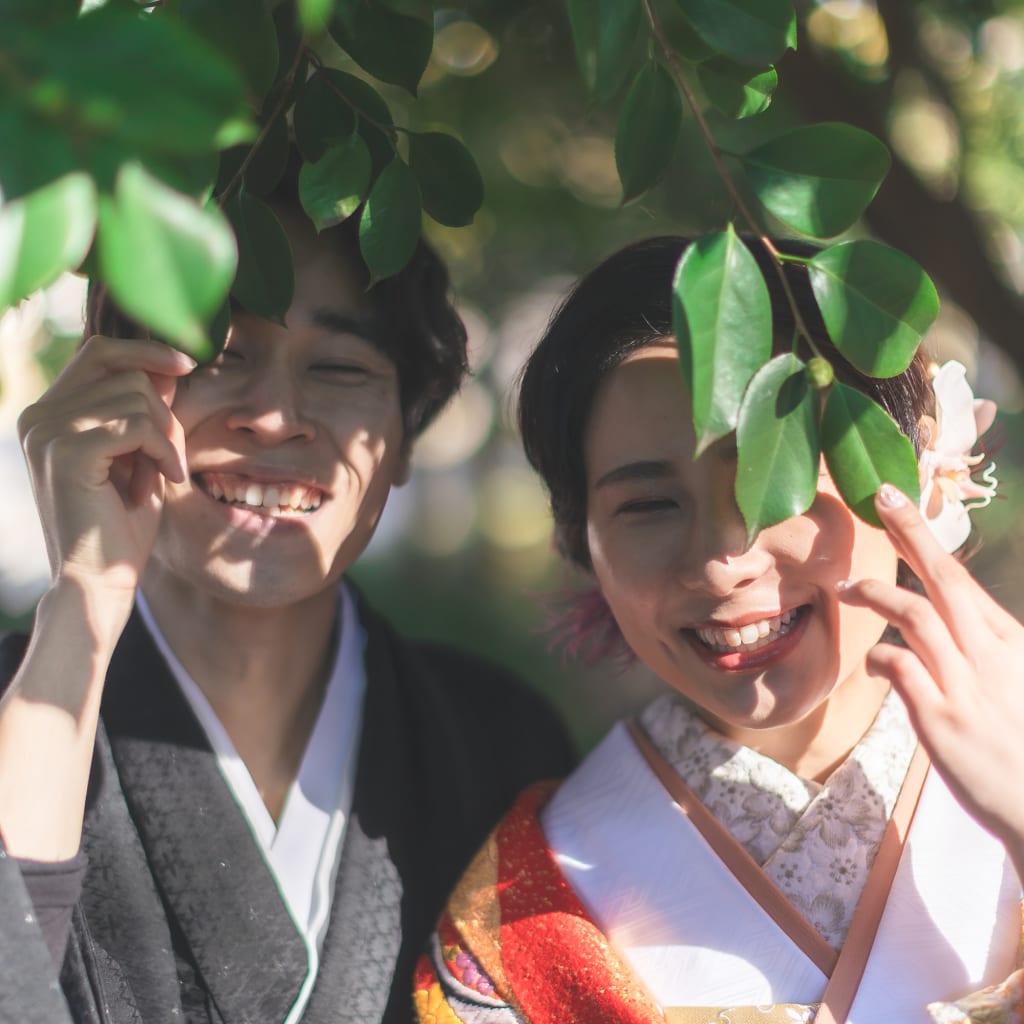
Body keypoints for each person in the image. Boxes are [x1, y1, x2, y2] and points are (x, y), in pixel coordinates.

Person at [0, 165, 576, 1024]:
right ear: (115, 383)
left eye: (341, 367)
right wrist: (84, 597)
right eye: (224, 356)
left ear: (407, 434)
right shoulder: (27, 698)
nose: (275, 416)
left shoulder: (496, 741)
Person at [414, 236, 1024, 1023]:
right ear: (578, 538)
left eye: (785, 481)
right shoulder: (523, 917)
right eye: (648, 506)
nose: (722, 560)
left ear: (912, 479)